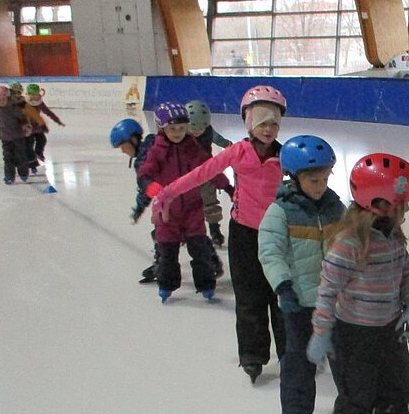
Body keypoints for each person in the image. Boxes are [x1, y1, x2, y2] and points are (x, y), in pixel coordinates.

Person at [153, 86, 288, 383]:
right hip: (244, 234)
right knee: (250, 297)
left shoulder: (286, 156)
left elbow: (311, 184)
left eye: (275, 123)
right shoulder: (238, 151)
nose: (269, 129)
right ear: (250, 123)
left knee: (281, 294)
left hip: (279, 234)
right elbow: (200, 174)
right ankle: (252, 355)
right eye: (263, 122)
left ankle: (290, 353)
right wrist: (168, 193)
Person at [306, 153, 409, 414]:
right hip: (353, 334)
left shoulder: (394, 237)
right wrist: (321, 332)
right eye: (402, 203)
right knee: (356, 396)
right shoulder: (349, 244)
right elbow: (327, 291)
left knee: (398, 385)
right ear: (380, 203)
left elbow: (407, 276)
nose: (407, 210)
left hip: (389, 329)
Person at [258, 135, 346, 414]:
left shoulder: (336, 208)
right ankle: (297, 408)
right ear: (293, 178)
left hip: (336, 299)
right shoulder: (280, 212)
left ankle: (353, 401)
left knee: (343, 354)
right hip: (300, 299)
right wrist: (283, 286)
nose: (320, 186)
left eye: (324, 178)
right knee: (299, 357)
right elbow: (270, 252)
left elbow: (351, 243)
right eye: (313, 180)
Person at [141, 102, 221, 303]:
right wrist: (150, 186)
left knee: (200, 251)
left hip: (193, 210)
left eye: (181, 128)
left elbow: (208, 168)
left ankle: (206, 284)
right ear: (162, 128)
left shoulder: (192, 147)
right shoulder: (157, 150)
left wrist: (227, 185)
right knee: (167, 253)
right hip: (167, 212)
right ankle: (166, 285)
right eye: (172, 129)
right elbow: (145, 172)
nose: (178, 133)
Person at [111, 117, 159, 284]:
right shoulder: (155, 143)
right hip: (182, 194)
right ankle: (211, 261)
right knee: (190, 232)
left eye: (123, 147)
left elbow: (148, 190)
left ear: (133, 140)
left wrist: (139, 208)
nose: (123, 151)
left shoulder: (143, 161)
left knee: (164, 233)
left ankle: (163, 264)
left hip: (170, 199)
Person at [186, 99, 234, 246]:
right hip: (185, 175)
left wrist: (228, 145)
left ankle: (214, 229)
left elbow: (217, 138)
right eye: (193, 129)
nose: (197, 132)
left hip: (206, 171)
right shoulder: (180, 134)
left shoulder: (208, 131)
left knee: (210, 202)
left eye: (200, 129)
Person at [22, 83, 64, 170]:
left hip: (37, 125)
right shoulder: (24, 103)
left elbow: (48, 112)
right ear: (28, 94)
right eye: (32, 95)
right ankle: (31, 161)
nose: (35, 97)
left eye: (36, 94)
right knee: (29, 144)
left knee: (42, 139)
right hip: (27, 127)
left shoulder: (39, 103)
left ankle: (38, 152)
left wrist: (57, 120)